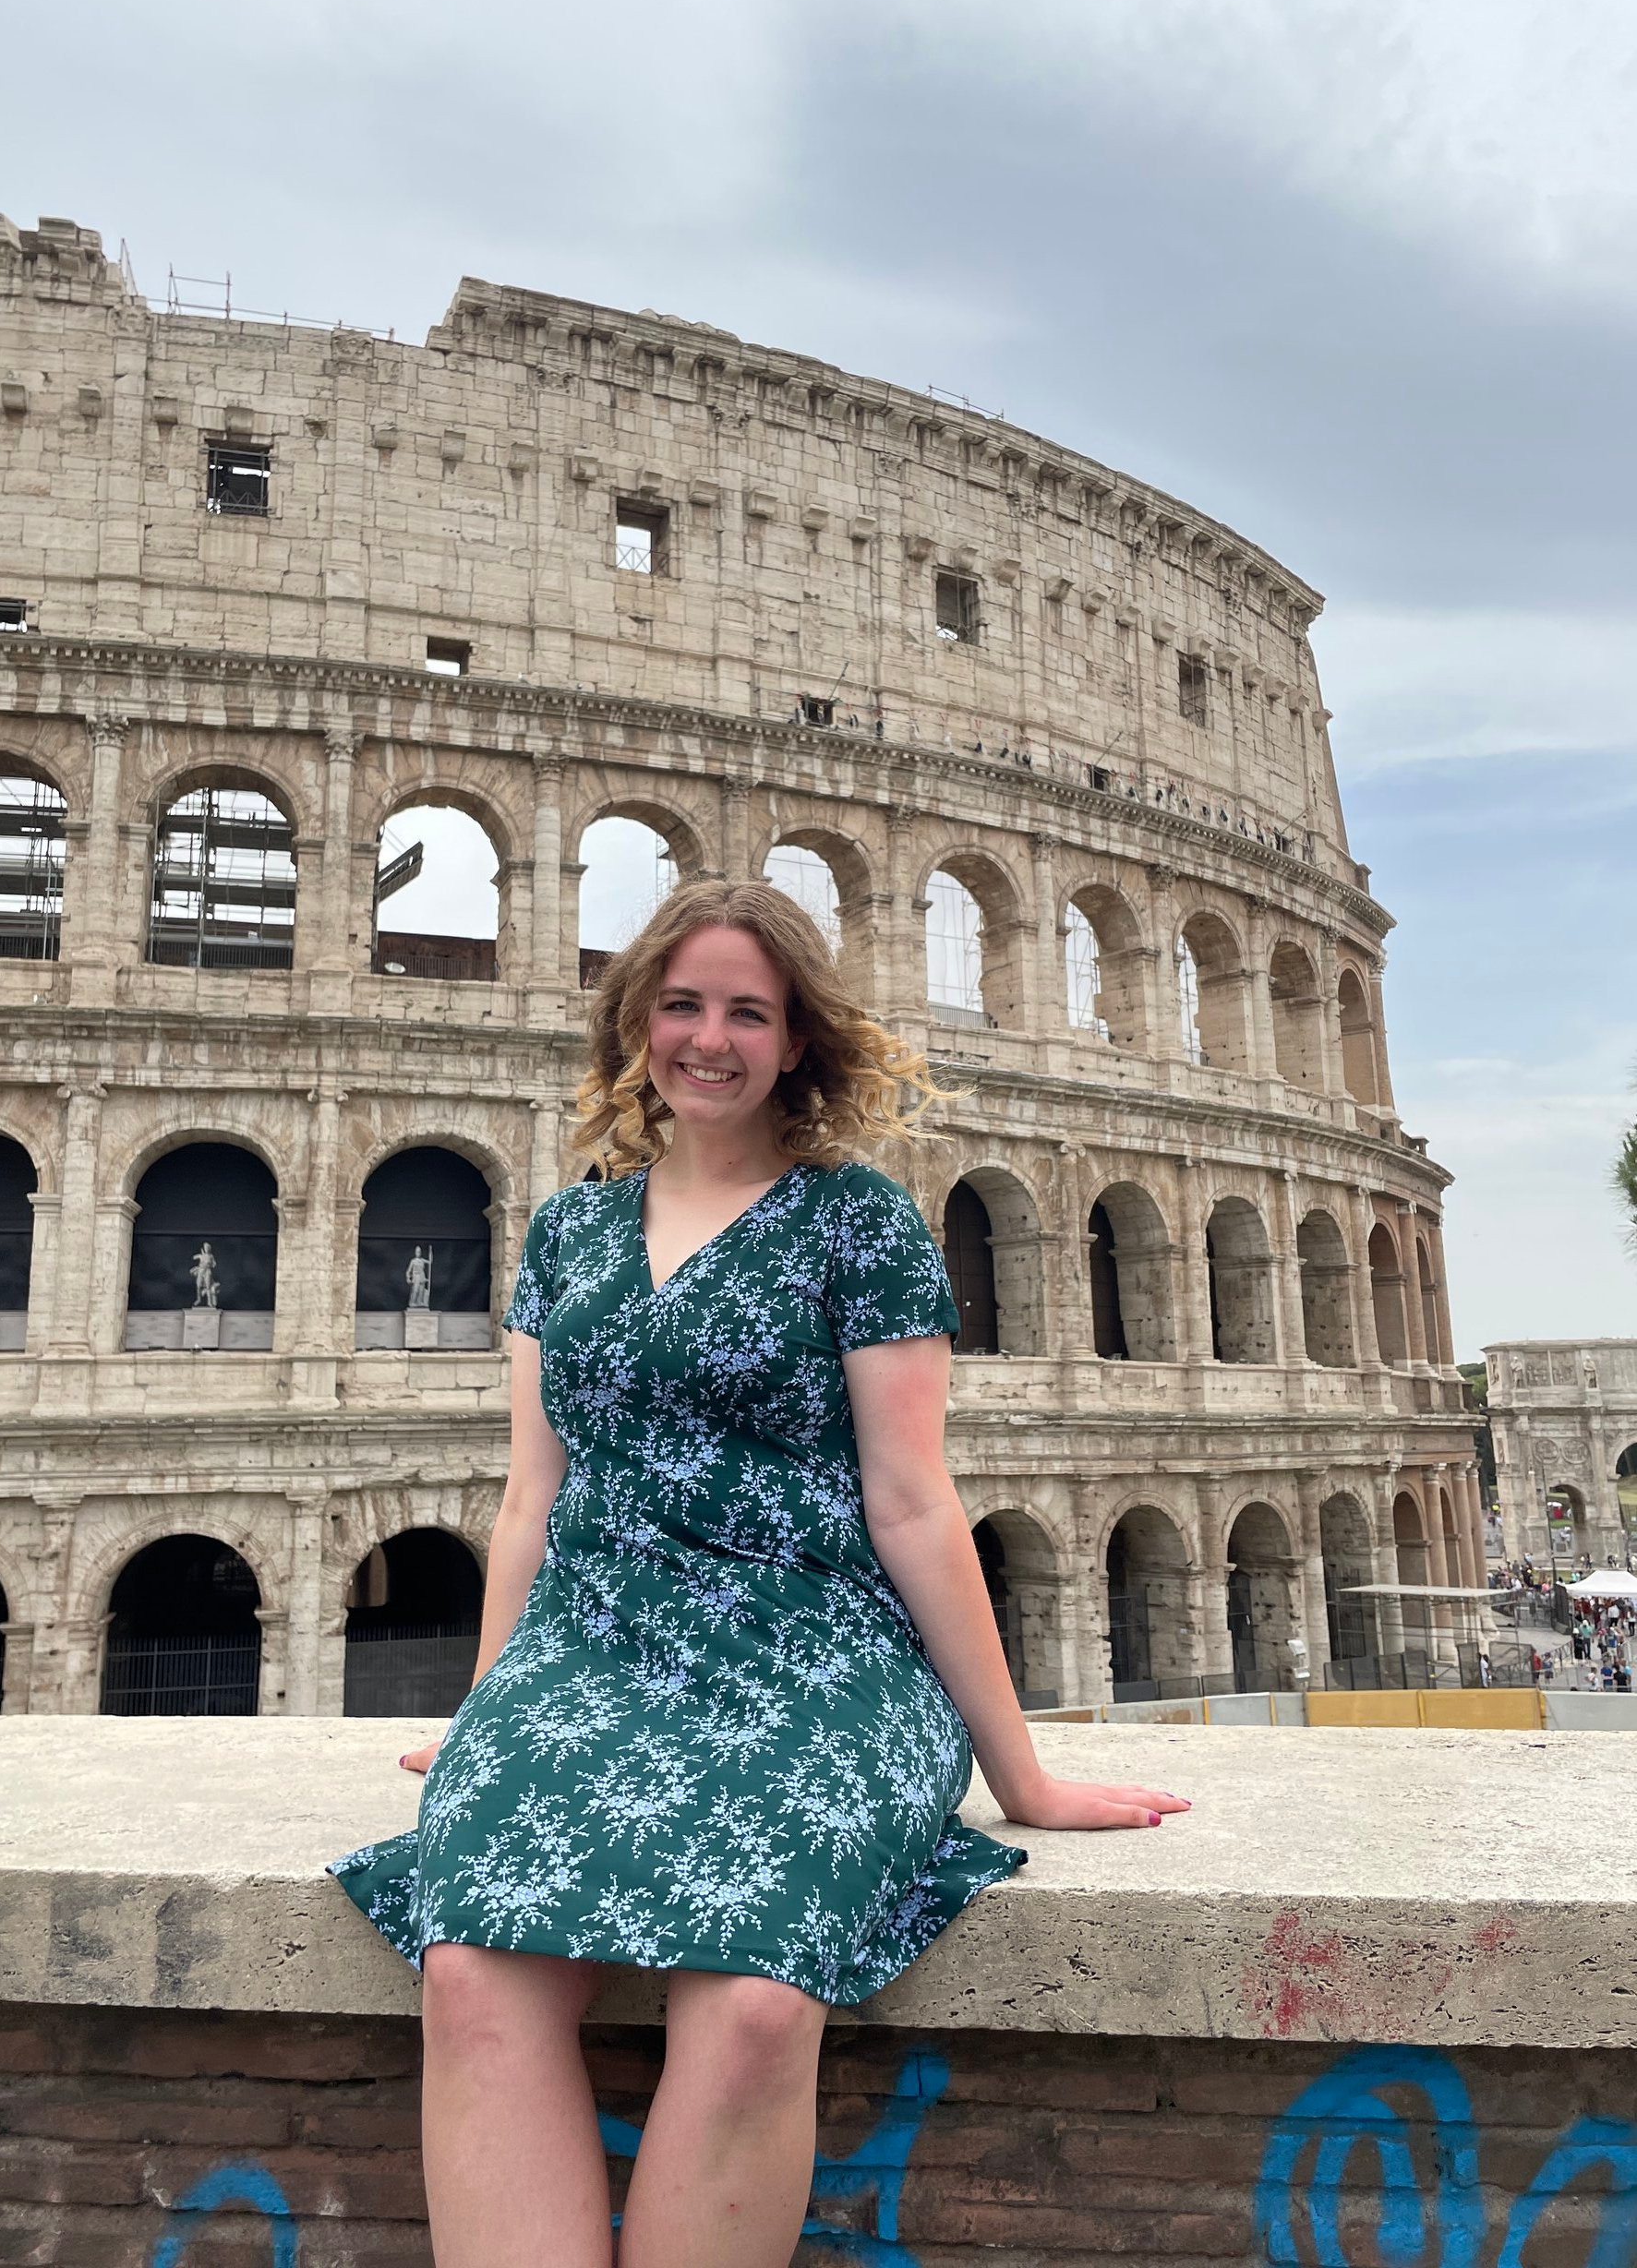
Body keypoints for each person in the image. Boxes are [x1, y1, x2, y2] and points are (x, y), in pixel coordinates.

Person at [329, 878, 1189, 2267]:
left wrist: (1017, 1773)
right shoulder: (569, 1232)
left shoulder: (859, 1225)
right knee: (473, 1968)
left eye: (748, 1011)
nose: (709, 1038)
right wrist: (491, 1708)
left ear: (797, 1042)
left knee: (754, 2000)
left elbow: (912, 1503)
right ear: (636, 1026)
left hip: (819, 1656)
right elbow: (532, 1498)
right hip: (600, 1647)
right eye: (681, 1005)